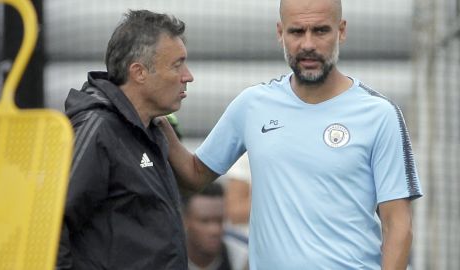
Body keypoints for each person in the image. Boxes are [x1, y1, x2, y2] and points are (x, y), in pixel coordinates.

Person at [158, 0, 423, 269]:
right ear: (280, 33)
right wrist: (154, 114)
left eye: (320, 31)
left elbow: (398, 225)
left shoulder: (380, 114)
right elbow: (194, 174)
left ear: (341, 31)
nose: (308, 44)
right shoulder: (252, 105)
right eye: (297, 32)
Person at [56, 9, 194, 269]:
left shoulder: (151, 129)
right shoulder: (98, 128)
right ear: (139, 72)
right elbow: (51, 225)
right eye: (177, 65)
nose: (188, 76)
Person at [183, 183, 248, 270]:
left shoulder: (240, 257)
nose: (215, 230)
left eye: (220, 220)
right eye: (205, 221)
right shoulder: (166, 258)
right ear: (185, 221)